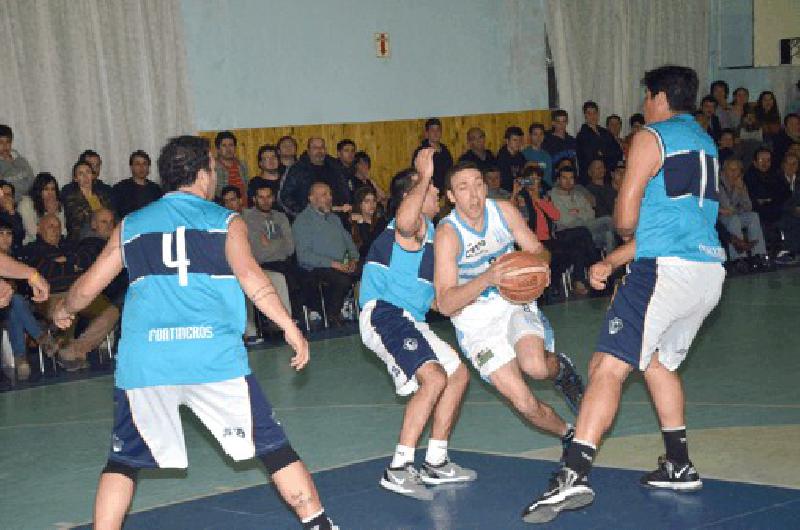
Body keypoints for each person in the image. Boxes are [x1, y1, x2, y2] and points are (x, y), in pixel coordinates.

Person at [50, 135, 336, 530]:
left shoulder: (132, 224)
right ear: (204, 172)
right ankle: (318, 525)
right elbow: (252, 278)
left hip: (148, 363)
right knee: (273, 449)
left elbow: (86, 288)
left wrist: (65, 310)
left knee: (124, 460)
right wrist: (289, 325)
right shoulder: (225, 222)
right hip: (212, 359)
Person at [522, 65, 726, 524]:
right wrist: (612, 262)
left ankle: (573, 473)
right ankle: (678, 463)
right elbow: (673, 224)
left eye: (646, 98)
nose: (644, 107)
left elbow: (627, 219)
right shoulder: (705, 142)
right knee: (656, 362)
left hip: (663, 271)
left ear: (657, 97)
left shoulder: (651, 137)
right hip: (707, 271)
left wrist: (621, 222)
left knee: (606, 366)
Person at [434, 161, 584, 465]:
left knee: (536, 367)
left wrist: (535, 266)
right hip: (474, 320)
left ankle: (561, 370)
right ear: (451, 197)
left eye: (478, 184)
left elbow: (539, 250)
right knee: (524, 403)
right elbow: (447, 303)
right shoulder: (448, 235)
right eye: (463, 188)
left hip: (512, 302)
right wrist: (488, 278)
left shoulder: (503, 211)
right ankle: (569, 435)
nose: (474, 195)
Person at [360, 148, 476, 500]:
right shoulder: (406, 227)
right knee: (434, 378)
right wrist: (423, 175)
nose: (438, 193)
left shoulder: (437, 234)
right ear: (413, 196)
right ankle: (399, 467)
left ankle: (437, 461)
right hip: (385, 313)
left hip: (412, 319)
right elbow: (408, 221)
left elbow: (442, 299)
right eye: (431, 189)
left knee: (457, 374)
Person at [293, 182, 358, 327]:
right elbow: (304, 256)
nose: (329, 198)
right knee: (341, 280)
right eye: (324, 195)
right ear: (311, 199)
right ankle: (332, 314)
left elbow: (350, 243)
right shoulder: (302, 221)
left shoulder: (334, 219)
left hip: (341, 263)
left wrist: (353, 259)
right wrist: (334, 264)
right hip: (315, 268)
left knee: (370, 270)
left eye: (330, 194)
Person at [0, 217, 56, 381]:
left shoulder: (20, 255)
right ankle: (41, 339)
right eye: (1, 234)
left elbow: (28, 291)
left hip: (24, 306)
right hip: (14, 307)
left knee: (15, 304)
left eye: (8, 234)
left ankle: (21, 358)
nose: (5, 238)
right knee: (14, 302)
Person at [279, 137, 351, 220]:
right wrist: (303, 213)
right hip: (308, 219)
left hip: (335, 218)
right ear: (308, 151)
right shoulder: (297, 169)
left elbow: (345, 192)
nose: (319, 150)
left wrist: (343, 210)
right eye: (315, 148)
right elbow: (285, 196)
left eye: (322, 147)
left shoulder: (336, 168)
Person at [718, 159, 767, 262]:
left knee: (753, 216)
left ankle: (758, 254)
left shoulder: (740, 183)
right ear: (724, 170)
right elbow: (727, 207)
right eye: (731, 170)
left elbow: (748, 206)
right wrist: (738, 190)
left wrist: (741, 190)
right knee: (734, 219)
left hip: (733, 214)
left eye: (737, 170)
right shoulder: (719, 183)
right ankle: (739, 258)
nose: (734, 173)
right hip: (719, 217)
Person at [62, 160, 115, 240]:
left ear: (92, 176)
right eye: (81, 174)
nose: (85, 176)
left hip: (105, 234)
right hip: (82, 238)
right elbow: (80, 222)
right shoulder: (71, 198)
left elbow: (111, 214)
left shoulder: (101, 195)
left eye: (88, 172)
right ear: (75, 178)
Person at [575, 101, 623, 183]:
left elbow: (618, 152)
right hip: (590, 179)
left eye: (594, 113)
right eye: (589, 113)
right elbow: (591, 157)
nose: (592, 116)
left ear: (598, 114)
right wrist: (607, 153)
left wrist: (603, 153)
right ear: (585, 115)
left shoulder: (605, 132)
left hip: (608, 176)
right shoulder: (582, 135)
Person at [18, 172, 66, 244]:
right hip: (34, 243)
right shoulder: (26, 204)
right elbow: (33, 232)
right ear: (38, 191)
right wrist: (50, 214)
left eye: (53, 189)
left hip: (56, 243)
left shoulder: (58, 204)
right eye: (46, 189)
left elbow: (62, 231)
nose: (50, 193)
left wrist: (55, 213)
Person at [112, 150, 163, 219]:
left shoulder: (156, 189)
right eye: (137, 164)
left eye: (144, 164)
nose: (141, 167)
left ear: (148, 167)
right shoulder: (120, 189)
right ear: (131, 167)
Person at [411, 118, 453, 192]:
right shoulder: (421, 152)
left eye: (438, 130)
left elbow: (450, 171)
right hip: (429, 191)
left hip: (446, 191)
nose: (435, 133)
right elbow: (417, 174)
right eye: (432, 130)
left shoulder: (445, 151)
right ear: (427, 133)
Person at [0, 124, 35, 196]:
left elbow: (33, 182)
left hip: (29, 200)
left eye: (8, 142)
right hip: (11, 202)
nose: (5, 145)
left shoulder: (22, 161)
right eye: (1, 142)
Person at [213, 131, 249, 199]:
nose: (228, 149)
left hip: (244, 207)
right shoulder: (213, 167)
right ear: (218, 149)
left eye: (231, 145)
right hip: (223, 208)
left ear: (235, 147)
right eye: (224, 145)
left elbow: (246, 189)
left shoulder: (242, 165)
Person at [248, 144, 284, 209]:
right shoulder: (255, 183)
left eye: (274, 157)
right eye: (266, 159)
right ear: (260, 163)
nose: (271, 161)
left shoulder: (286, 179)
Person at [496, 126, 527, 192]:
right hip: (505, 191)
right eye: (515, 140)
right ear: (507, 141)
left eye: (520, 140)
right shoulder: (502, 157)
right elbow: (505, 182)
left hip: (519, 188)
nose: (518, 143)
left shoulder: (520, 156)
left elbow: (525, 174)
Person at [522, 123, 554, 187]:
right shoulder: (524, 154)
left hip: (545, 188)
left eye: (541, 134)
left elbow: (548, 179)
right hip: (529, 189)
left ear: (544, 136)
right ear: (530, 136)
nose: (538, 137)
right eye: (535, 134)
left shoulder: (547, 155)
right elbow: (521, 180)